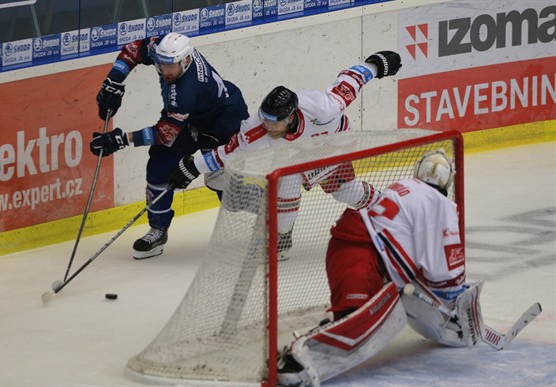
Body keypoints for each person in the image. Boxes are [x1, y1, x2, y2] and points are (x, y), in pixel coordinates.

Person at [276, 149, 485, 386]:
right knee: (361, 328)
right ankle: (294, 360)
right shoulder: (441, 205)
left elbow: (412, 255)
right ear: (447, 182)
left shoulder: (403, 186)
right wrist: (455, 303)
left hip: (350, 250)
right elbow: (444, 271)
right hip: (362, 255)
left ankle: (321, 340)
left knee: (356, 320)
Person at [167, 50, 403, 256]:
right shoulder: (255, 131)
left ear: (290, 117)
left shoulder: (322, 108)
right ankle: (283, 235)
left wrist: (376, 63)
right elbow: (226, 154)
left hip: (334, 146)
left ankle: (387, 207)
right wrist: (190, 167)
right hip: (297, 156)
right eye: (265, 118)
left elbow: (351, 81)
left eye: (273, 121)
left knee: (346, 192)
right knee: (287, 180)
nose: (267, 126)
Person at [89, 32, 249, 259]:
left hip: (222, 123)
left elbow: (164, 133)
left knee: (228, 194)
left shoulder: (187, 89)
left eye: (170, 67)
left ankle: (276, 210)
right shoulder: (164, 50)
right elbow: (133, 50)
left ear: (186, 61)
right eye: (161, 65)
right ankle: (158, 230)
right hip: (190, 119)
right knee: (159, 166)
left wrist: (120, 140)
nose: (165, 71)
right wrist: (114, 80)